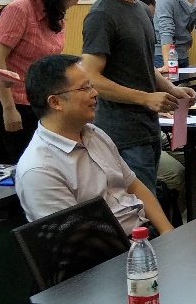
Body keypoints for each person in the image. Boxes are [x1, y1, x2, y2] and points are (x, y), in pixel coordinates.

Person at [80, 0, 195, 193]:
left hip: (147, 129)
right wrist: (145, 98)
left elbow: (143, 65)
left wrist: (173, 90)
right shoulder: (102, 15)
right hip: (121, 135)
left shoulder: (141, 9)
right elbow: (91, 78)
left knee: (153, 198)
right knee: (138, 209)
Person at [15, 54, 173, 235]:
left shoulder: (94, 133)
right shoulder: (39, 169)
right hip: (111, 248)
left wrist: (167, 232)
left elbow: (134, 185)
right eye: (85, 88)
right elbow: (78, 237)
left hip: (142, 234)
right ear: (55, 102)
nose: (95, 93)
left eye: (91, 85)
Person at [0, 0, 91, 164]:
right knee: (24, 161)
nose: (76, 3)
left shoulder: (56, 16)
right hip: (10, 98)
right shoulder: (20, 8)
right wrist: (8, 108)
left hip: (36, 99)